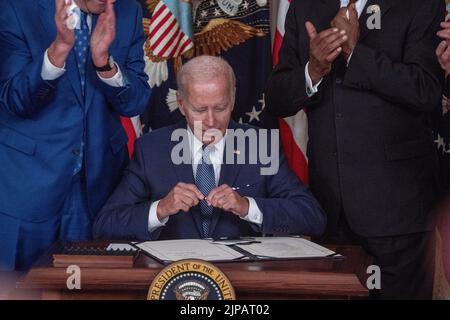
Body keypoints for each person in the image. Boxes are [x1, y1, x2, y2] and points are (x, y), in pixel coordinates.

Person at [266, 0, 445, 299]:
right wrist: (314, 69)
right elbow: (276, 99)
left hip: (398, 214)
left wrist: (354, 54)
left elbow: (425, 90)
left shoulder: (420, 5)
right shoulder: (305, 8)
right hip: (330, 212)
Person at [93, 55, 326, 240]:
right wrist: (161, 209)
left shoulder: (259, 146)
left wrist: (246, 206)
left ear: (233, 100)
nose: (211, 121)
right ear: (182, 105)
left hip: (243, 280)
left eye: (221, 108)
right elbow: (105, 224)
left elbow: (312, 216)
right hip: (173, 279)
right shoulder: (151, 150)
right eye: (200, 110)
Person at [0, 0, 151, 270]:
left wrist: (105, 64)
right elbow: (15, 100)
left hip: (98, 186)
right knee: (19, 288)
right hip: (28, 183)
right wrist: (57, 51)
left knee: (90, 288)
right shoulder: (17, 7)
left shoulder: (128, 10)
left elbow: (135, 102)